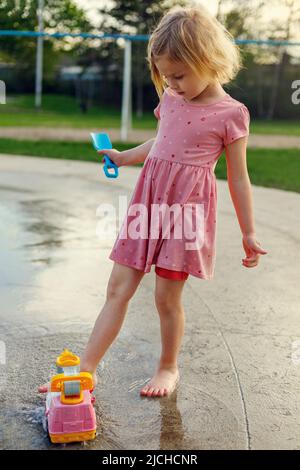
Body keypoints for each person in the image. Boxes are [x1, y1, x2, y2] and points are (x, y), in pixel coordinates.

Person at [39, 4, 268, 399]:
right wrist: (125, 156)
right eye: (165, 76)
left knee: (166, 297)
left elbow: (239, 176)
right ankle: (87, 370)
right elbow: (162, 141)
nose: (172, 85)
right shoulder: (174, 99)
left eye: (179, 75)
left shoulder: (231, 114)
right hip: (147, 205)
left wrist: (248, 231)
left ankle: (167, 366)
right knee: (118, 288)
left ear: (209, 60)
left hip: (186, 213)